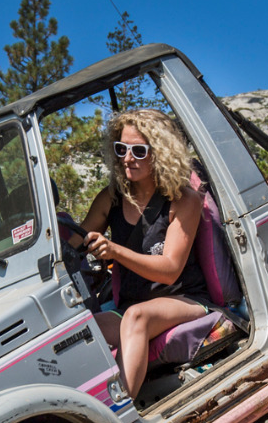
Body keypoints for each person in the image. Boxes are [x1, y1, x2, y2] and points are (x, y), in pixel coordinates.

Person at [80, 109, 207, 399]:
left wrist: (113, 250)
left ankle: (120, 414)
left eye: (138, 150)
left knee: (136, 318)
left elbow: (170, 268)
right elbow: (76, 241)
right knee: (82, 331)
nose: (127, 157)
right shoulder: (111, 198)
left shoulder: (182, 199)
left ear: (159, 152)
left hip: (182, 298)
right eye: (121, 149)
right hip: (130, 305)